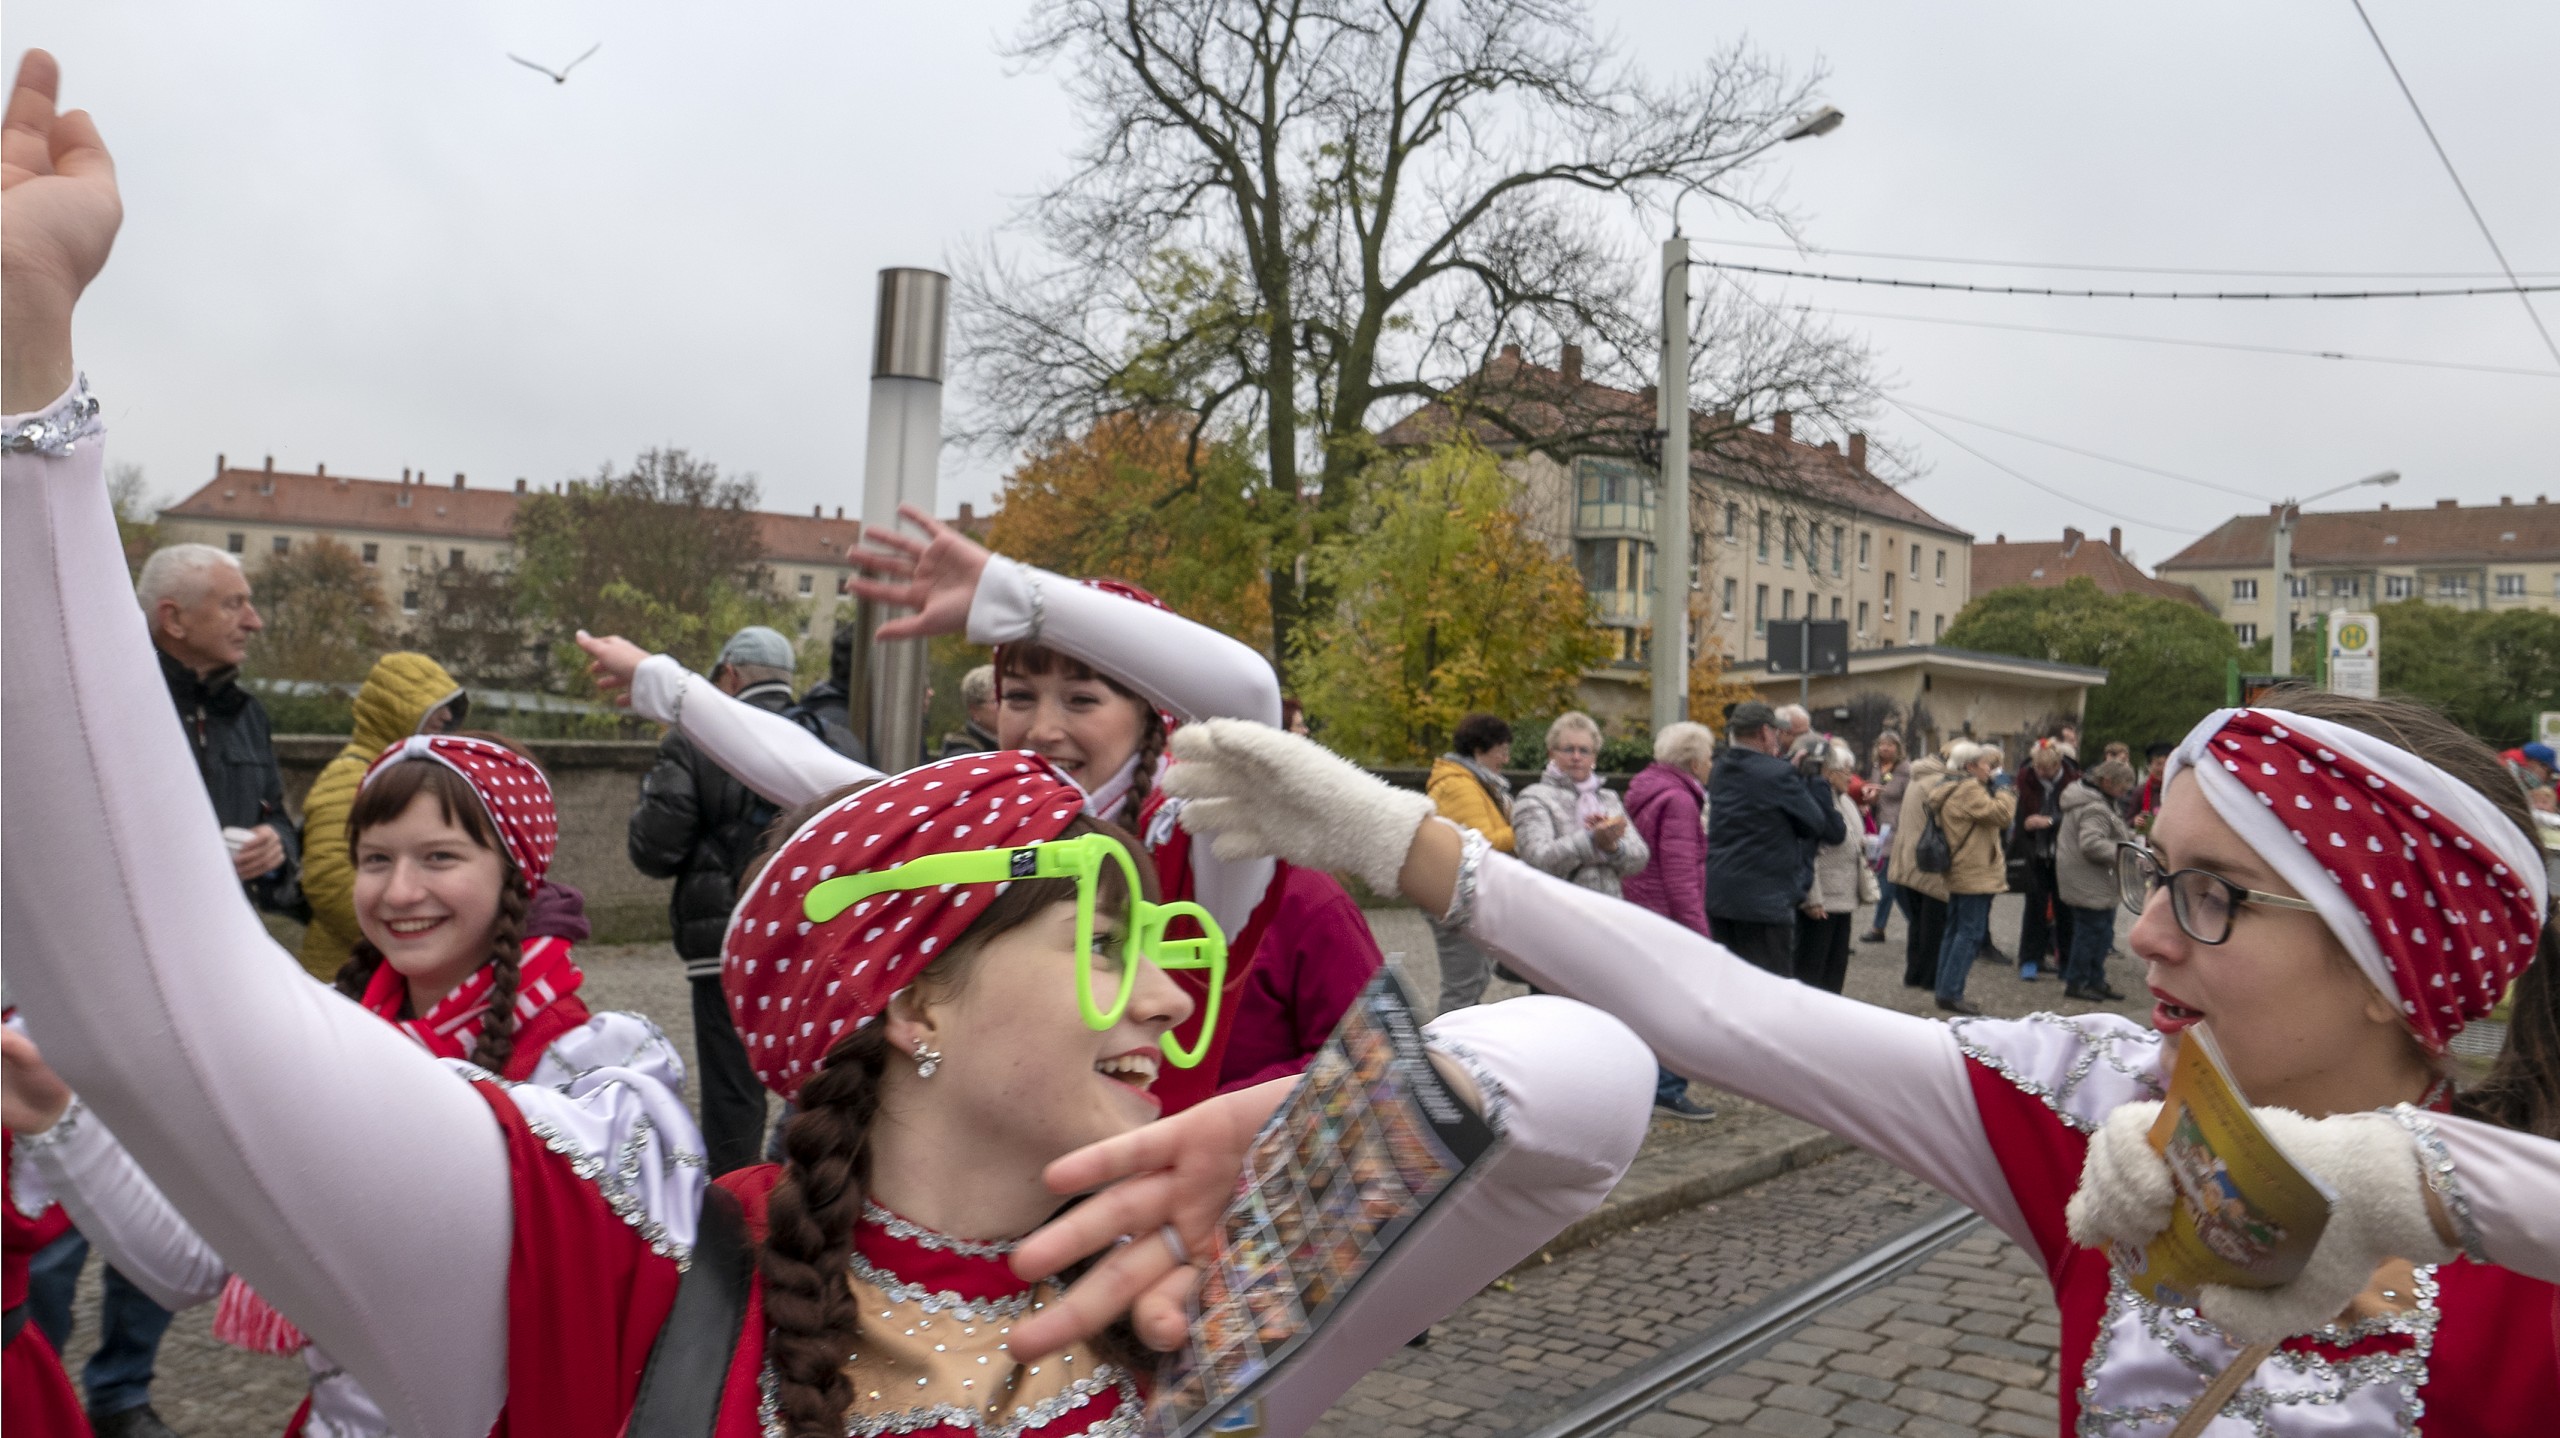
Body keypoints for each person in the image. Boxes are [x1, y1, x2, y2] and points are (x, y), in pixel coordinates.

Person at [0, 79, 1661, 1432]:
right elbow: (163, 996)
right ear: (918, 995)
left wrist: (1283, 1124)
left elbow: (1596, 1078)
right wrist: (27, 394)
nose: (1178, 995)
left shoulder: (1200, 1287)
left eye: (1156, 936)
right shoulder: (634, 1293)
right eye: (1105, 932)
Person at [1161, 688, 2560, 1438]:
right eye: (2158, 870)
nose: (2143, 931)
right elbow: (1732, 1012)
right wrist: (1417, 846)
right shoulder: (2106, 1103)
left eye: (2211, 893)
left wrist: (2421, 1182)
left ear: (2406, 970)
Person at [578, 511, 1375, 1108]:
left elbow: (1246, 695)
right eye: (1019, 697)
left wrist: (1018, 597)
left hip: (1139, 1232)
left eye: (1083, 697)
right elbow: (824, 778)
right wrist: (667, 686)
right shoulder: (988, 838)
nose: (1044, 726)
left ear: (1155, 717)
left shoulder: (1204, 848)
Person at [6, 732, 651, 1438]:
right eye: (376, 860)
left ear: (514, 872)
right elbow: (193, 1265)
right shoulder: (320, 1040)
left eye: (439, 856)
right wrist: (54, 1119)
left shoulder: (590, 1071)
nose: (400, 891)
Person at [628, 623, 851, 1173]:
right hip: (820, 938)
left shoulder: (696, 738)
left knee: (733, 1091)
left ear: (727, 675)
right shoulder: (830, 735)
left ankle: (733, 1215)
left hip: (724, 939)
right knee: (820, 1079)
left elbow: (655, 847)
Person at [137, 542, 300, 914]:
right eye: (232, 605)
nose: (254, 622)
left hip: (226, 935)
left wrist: (275, 847)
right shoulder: (118, 709)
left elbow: (276, 817)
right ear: (174, 619)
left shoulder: (247, 714)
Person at [296, 651, 465, 980]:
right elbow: (327, 880)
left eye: (450, 707)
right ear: (394, 711)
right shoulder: (350, 777)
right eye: (433, 706)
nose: (446, 717)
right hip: (347, 972)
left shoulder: (401, 775)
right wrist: (400, 933)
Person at [1623, 721, 1718, 1121]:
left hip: (1641, 909)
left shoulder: (1645, 787)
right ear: (1695, 762)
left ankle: (1641, 1084)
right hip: (1667, 917)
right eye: (1710, 756)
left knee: (1644, 1004)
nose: (1712, 764)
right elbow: (1680, 876)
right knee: (1677, 1008)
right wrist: (1699, 934)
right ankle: (1668, 1088)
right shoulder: (1679, 800)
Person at [1704, 702, 1842, 976]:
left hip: (1721, 895)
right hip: (1764, 901)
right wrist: (1807, 779)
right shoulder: (1779, 774)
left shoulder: (1720, 769)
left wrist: (1784, 769)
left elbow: (1756, 789)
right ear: (1765, 732)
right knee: (1768, 985)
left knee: (1730, 980)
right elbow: (1815, 823)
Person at [1425, 713, 1516, 1017]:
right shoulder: (1458, 784)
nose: (1506, 758)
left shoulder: (1475, 782)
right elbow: (1481, 840)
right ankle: (1442, 1054)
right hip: (1452, 894)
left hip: (1461, 893)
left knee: (1474, 980)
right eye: (1501, 750)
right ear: (1479, 750)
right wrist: (1522, 830)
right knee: (1463, 986)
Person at [1513, 712, 1649, 899]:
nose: (1577, 757)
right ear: (1551, 753)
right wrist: (1591, 839)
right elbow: (1537, 860)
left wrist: (1612, 847)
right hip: (1558, 910)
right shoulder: (1534, 798)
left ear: (1594, 758)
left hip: (1608, 910)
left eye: (1584, 750)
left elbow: (1640, 858)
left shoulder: (1607, 798)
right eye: (1568, 749)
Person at [1926, 741, 2016, 1015]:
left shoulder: (1948, 785)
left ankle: (1945, 989)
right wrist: (2004, 787)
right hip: (1974, 870)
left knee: (1955, 930)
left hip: (1961, 868)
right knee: (1969, 933)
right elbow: (2003, 815)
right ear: (1970, 766)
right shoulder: (1967, 789)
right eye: (1987, 765)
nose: (1991, 770)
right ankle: (1951, 992)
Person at [1792, 737, 1870, 995]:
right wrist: (1812, 898)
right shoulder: (1817, 798)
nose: (1851, 777)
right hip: (1822, 899)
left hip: (1843, 897)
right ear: (1828, 772)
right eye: (1845, 771)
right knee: (1812, 968)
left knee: (1836, 968)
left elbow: (1850, 836)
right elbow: (1807, 850)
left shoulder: (1844, 800)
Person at [2055, 758, 2135, 1002]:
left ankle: (2094, 979)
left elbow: (2106, 833)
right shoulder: (2096, 807)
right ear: (2107, 782)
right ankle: (2079, 982)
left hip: (2083, 876)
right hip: (2089, 879)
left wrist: (2127, 837)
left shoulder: (2093, 799)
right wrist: (2126, 853)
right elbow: (2092, 844)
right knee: (2091, 932)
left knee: (2099, 931)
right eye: (2123, 787)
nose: (2125, 792)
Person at [2009, 737, 2080, 982]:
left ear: (2058, 764)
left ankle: (2067, 961)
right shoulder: (2026, 781)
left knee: (2065, 910)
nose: (2042, 773)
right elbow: (2020, 817)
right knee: (2034, 908)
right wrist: (2026, 825)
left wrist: (2050, 821)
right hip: (2035, 853)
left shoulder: (2072, 782)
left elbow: (2075, 816)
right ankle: (2030, 959)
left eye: (2047, 769)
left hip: (2063, 853)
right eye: (2038, 768)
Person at [1887, 743, 1953, 991]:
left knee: (1918, 923)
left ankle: (1914, 974)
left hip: (1910, 855)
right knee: (1932, 924)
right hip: (1929, 858)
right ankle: (1927, 978)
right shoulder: (1938, 782)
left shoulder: (1919, 776)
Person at [1859, 729, 1908, 943]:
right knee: (1895, 883)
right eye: (1881, 744)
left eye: (1889, 745)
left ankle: (1878, 927)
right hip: (1880, 828)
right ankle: (1918, 922)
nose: (1885, 748)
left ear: (1898, 748)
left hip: (1897, 830)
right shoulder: (1878, 768)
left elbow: (1909, 800)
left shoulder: (1906, 770)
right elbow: (1878, 795)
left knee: (1887, 878)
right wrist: (1869, 799)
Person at [937, 662, 999, 757]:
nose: (1004, 707)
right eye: (996, 701)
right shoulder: (961, 753)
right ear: (974, 710)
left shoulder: (1012, 742)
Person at [2134, 740, 2174, 832]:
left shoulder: (2178, 790)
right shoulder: (2140, 792)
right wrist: (2136, 821)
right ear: (2149, 765)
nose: (2162, 768)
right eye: (2158, 764)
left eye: (2167, 764)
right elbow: (2127, 820)